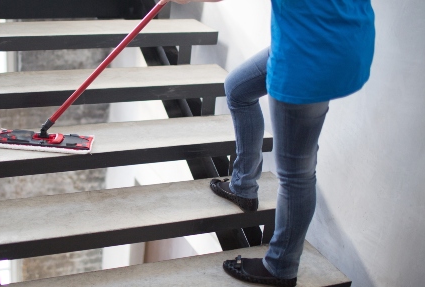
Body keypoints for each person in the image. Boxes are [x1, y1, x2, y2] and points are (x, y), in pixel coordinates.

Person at [159, 0, 375, 286]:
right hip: (343, 38)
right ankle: (243, 186)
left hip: (307, 56)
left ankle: (281, 266)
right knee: (237, 88)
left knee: (297, 174)